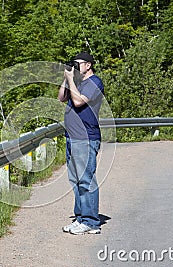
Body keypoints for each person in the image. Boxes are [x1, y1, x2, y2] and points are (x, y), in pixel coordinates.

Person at [58, 51, 104, 235]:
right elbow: (62, 98)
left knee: (86, 180)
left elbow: (77, 102)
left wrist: (71, 80)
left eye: (78, 64)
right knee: (76, 180)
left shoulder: (95, 83)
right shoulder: (76, 83)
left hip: (85, 139)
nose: (75, 67)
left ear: (88, 65)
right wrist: (66, 78)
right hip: (72, 138)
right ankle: (81, 218)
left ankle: (92, 222)